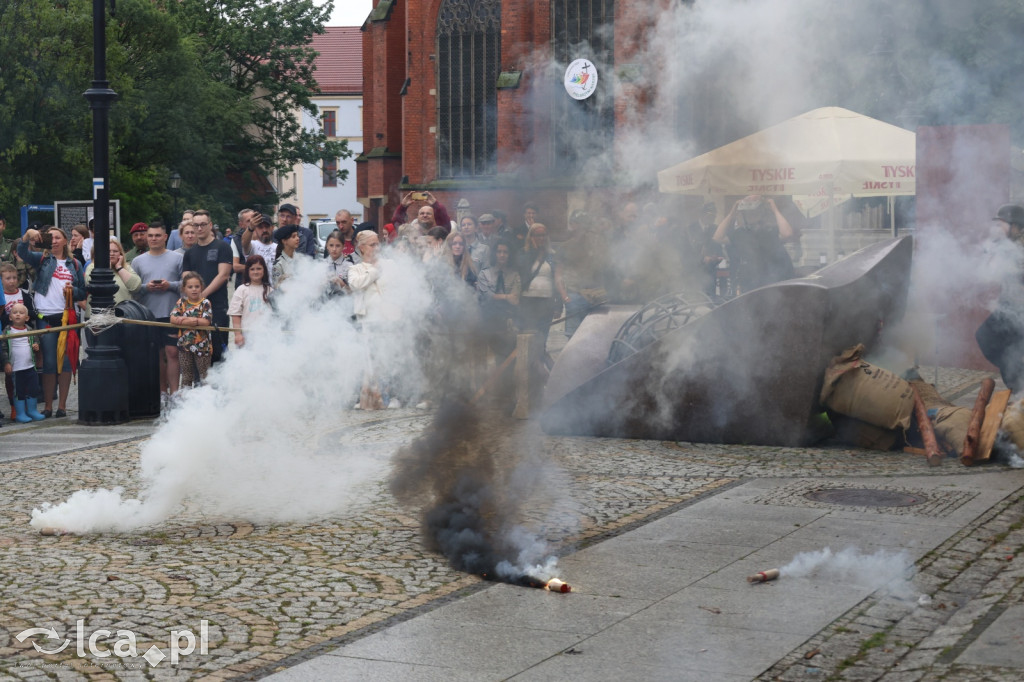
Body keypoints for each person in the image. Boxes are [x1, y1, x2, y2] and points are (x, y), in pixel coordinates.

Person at [16, 226, 86, 418]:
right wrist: (28, 235)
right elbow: (21, 252)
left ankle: (62, 406)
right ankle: (48, 406)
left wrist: (73, 291)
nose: (54, 241)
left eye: (57, 237)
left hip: (67, 317)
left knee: (65, 363)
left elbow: (83, 291)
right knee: (48, 363)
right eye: (51, 238)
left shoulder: (76, 264)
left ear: (65, 241)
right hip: (45, 317)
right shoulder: (42, 260)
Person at [348, 230, 401, 409]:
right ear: (362, 248)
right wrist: (374, 271)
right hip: (368, 320)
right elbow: (356, 284)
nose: (376, 247)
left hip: (388, 318)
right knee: (369, 361)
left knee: (388, 358)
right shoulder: (355, 269)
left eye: (377, 243)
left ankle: (390, 396)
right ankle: (370, 399)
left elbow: (398, 285)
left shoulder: (390, 264)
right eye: (372, 245)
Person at [132, 222, 183, 398]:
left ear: (165, 237)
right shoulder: (138, 261)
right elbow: (134, 288)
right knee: (156, 355)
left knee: (172, 352)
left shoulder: (177, 258)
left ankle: (175, 392)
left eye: (157, 235)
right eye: (151, 235)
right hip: (149, 314)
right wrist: (147, 287)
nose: (153, 239)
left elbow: (188, 284)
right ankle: (162, 392)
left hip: (172, 313)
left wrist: (171, 285)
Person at [977, 204, 1024, 392]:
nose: (997, 228)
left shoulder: (1019, 249)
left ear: (1016, 227)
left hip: (1018, 311)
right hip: (1009, 308)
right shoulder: (1006, 246)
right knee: (989, 340)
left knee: (996, 343)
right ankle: (1018, 387)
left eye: (1002, 224)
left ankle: (1018, 388)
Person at [712, 195, 796, 295]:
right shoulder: (740, 233)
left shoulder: (770, 231)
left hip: (774, 284)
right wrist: (732, 213)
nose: (751, 215)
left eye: (754, 213)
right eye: (748, 213)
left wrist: (775, 209)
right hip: (750, 285)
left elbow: (787, 234)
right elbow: (718, 237)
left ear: (762, 213)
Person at [182, 209, 232, 363]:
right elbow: (186, 278)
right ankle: (200, 386)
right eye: (196, 225)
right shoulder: (189, 253)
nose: (199, 228)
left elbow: (223, 275)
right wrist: (194, 298)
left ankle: (220, 386)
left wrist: (202, 296)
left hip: (217, 307)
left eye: (203, 224)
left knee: (217, 351)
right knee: (197, 352)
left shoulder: (222, 247)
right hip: (195, 310)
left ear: (210, 225)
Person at [519, 223, 568, 366]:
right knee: (530, 338)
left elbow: (557, 280)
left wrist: (558, 305)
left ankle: (541, 369)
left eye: (543, 235)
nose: (540, 238)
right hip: (528, 301)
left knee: (542, 337)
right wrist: (534, 252)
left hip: (546, 302)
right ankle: (534, 368)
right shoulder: (524, 253)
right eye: (537, 235)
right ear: (531, 237)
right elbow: (523, 271)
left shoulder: (552, 255)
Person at [476, 239, 521, 398]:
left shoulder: (515, 274)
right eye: (499, 251)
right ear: (495, 254)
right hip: (487, 320)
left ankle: (506, 395)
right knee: (483, 359)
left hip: (507, 321)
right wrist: (506, 296)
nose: (502, 255)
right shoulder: (485, 273)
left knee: (506, 359)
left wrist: (500, 297)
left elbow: (516, 299)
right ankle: (484, 393)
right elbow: (486, 297)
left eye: (505, 252)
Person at [559, 210, 609, 337]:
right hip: (574, 294)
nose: (583, 227)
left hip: (596, 295)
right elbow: (558, 274)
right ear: (572, 225)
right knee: (573, 335)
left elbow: (605, 266)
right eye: (579, 223)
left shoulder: (598, 244)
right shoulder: (565, 247)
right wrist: (565, 297)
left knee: (595, 335)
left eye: (585, 224)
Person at [1, 262, 39, 421]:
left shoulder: (24, 294)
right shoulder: (2, 295)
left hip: (25, 335)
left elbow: (35, 314)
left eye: (14, 278)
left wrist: (23, 313)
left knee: (30, 379)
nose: (11, 281)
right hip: (9, 338)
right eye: (7, 278)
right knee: (12, 378)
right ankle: (15, 408)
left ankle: (31, 409)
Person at [2, 302, 46, 422]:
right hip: (16, 368)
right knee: (18, 390)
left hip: (30, 366)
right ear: (10, 317)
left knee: (33, 388)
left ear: (27, 318)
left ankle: (32, 410)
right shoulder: (7, 331)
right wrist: (6, 363)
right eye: (15, 312)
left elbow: (36, 341)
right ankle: (20, 413)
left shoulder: (30, 330)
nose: (17, 315)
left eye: (21, 313)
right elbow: (4, 348)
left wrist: (36, 346)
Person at [170, 271, 213, 388]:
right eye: (190, 287)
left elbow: (206, 321)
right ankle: (185, 403)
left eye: (197, 286)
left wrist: (184, 320)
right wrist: (189, 321)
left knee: (204, 376)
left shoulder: (205, 303)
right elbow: (173, 318)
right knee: (186, 376)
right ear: (184, 289)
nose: (194, 289)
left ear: (201, 287)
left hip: (202, 346)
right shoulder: (181, 302)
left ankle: (206, 401)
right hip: (184, 346)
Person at [84, 237, 141, 317]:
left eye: (115, 251)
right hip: (97, 318)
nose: (112, 253)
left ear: (120, 254)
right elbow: (92, 284)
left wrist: (119, 267)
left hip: (122, 316)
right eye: (108, 251)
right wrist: (106, 266)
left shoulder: (126, 268)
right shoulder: (92, 267)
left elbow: (136, 286)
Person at [228, 255, 273, 348]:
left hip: (266, 336)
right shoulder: (241, 290)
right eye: (252, 269)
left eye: (259, 268)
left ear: (264, 270)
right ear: (247, 271)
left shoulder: (270, 291)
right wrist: (238, 335)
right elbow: (236, 314)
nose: (256, 272)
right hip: (246, 337)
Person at [686, 202, 725, 297]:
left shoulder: (716, 228)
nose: (713, 218)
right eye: (710, 215)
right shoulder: (690, 228)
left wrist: (717, 257)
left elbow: (718, 247)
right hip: (695, 270)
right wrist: (702, 258)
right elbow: (688, 251)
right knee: (695, 297)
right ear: (702, 214)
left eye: (714, 216)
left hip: (711, 271)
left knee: (710, 297)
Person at [240, 212, 277, 285]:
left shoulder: (278, 248)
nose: (264, 230)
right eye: (260, 227)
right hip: (256, 291)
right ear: (255, 230)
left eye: (267, 227)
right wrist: (250, 227)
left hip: (275, 291)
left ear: (272, 228)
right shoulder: (253, 245)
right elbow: (244, 242)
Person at [324, 229, 357, 296]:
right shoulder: (321, 264)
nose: (334, 249)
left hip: (343, 302)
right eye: (331, 245)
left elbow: (354, 292)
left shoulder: (349, 265)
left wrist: (341, 283)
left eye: (338, 246)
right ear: (327, 246)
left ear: (343, 247)